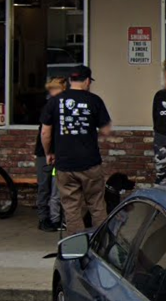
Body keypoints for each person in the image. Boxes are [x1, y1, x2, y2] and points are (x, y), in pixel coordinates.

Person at [41, 65, 112, 236]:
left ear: (70, 80)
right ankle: (102, 242)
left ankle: (77, 245)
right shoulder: (94, 100)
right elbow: (106, 129)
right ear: (87, 81)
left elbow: (45, 133)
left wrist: (49, 153)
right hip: (90, 162)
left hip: (65, 163)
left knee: (71, 208)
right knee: (96, 204)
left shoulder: (55, 101)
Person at [35, 76, 67, 232]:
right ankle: (43, 218)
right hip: (45, 152)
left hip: (56, 151)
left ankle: (55, 217)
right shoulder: (50, 106)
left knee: (54, 187)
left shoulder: (60, 105)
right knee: (45, 185)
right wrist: (48, 152)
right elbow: (45, 133)